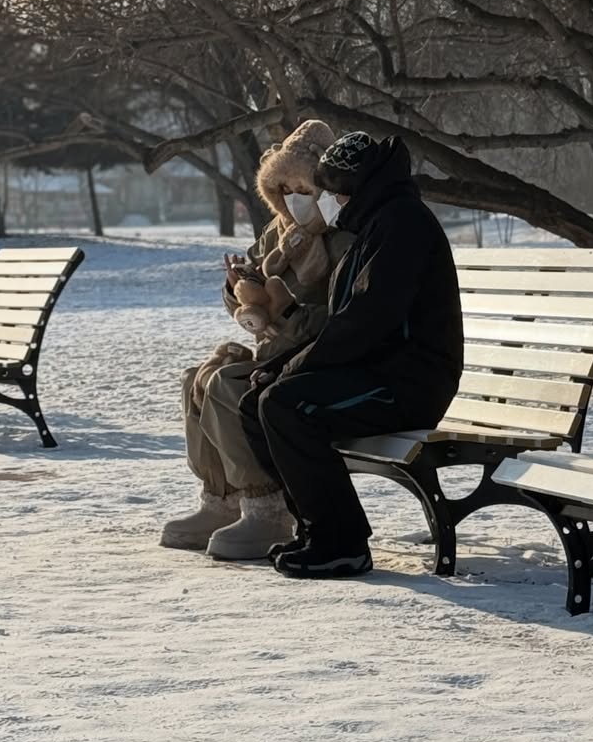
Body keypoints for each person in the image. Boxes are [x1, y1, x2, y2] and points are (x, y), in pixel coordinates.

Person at [239, 130, 463, 579]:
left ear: (358, 189)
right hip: (376, 372)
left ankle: (342, 544)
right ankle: (316, 530)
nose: (332, 202)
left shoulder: (402, 226)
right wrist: (280, 366)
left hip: (407, 383)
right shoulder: (374, 226)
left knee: (288, 406)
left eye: (337, 192)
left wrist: (293, 369)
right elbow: (347, 322)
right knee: (256, 403)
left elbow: (365, 322)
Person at [160, 120, 356, 561]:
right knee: (199, 375)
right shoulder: (278, 233)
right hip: (278, 351)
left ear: (322, 187)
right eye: (282, 188)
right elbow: (250, 293)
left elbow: (340, 320)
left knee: (230, 383)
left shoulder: (344, 238)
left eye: (301, 187)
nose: (291, 198)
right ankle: (221, 499)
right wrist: (239, 290)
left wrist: (278, 307)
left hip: (313, 361)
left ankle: (266, 506)